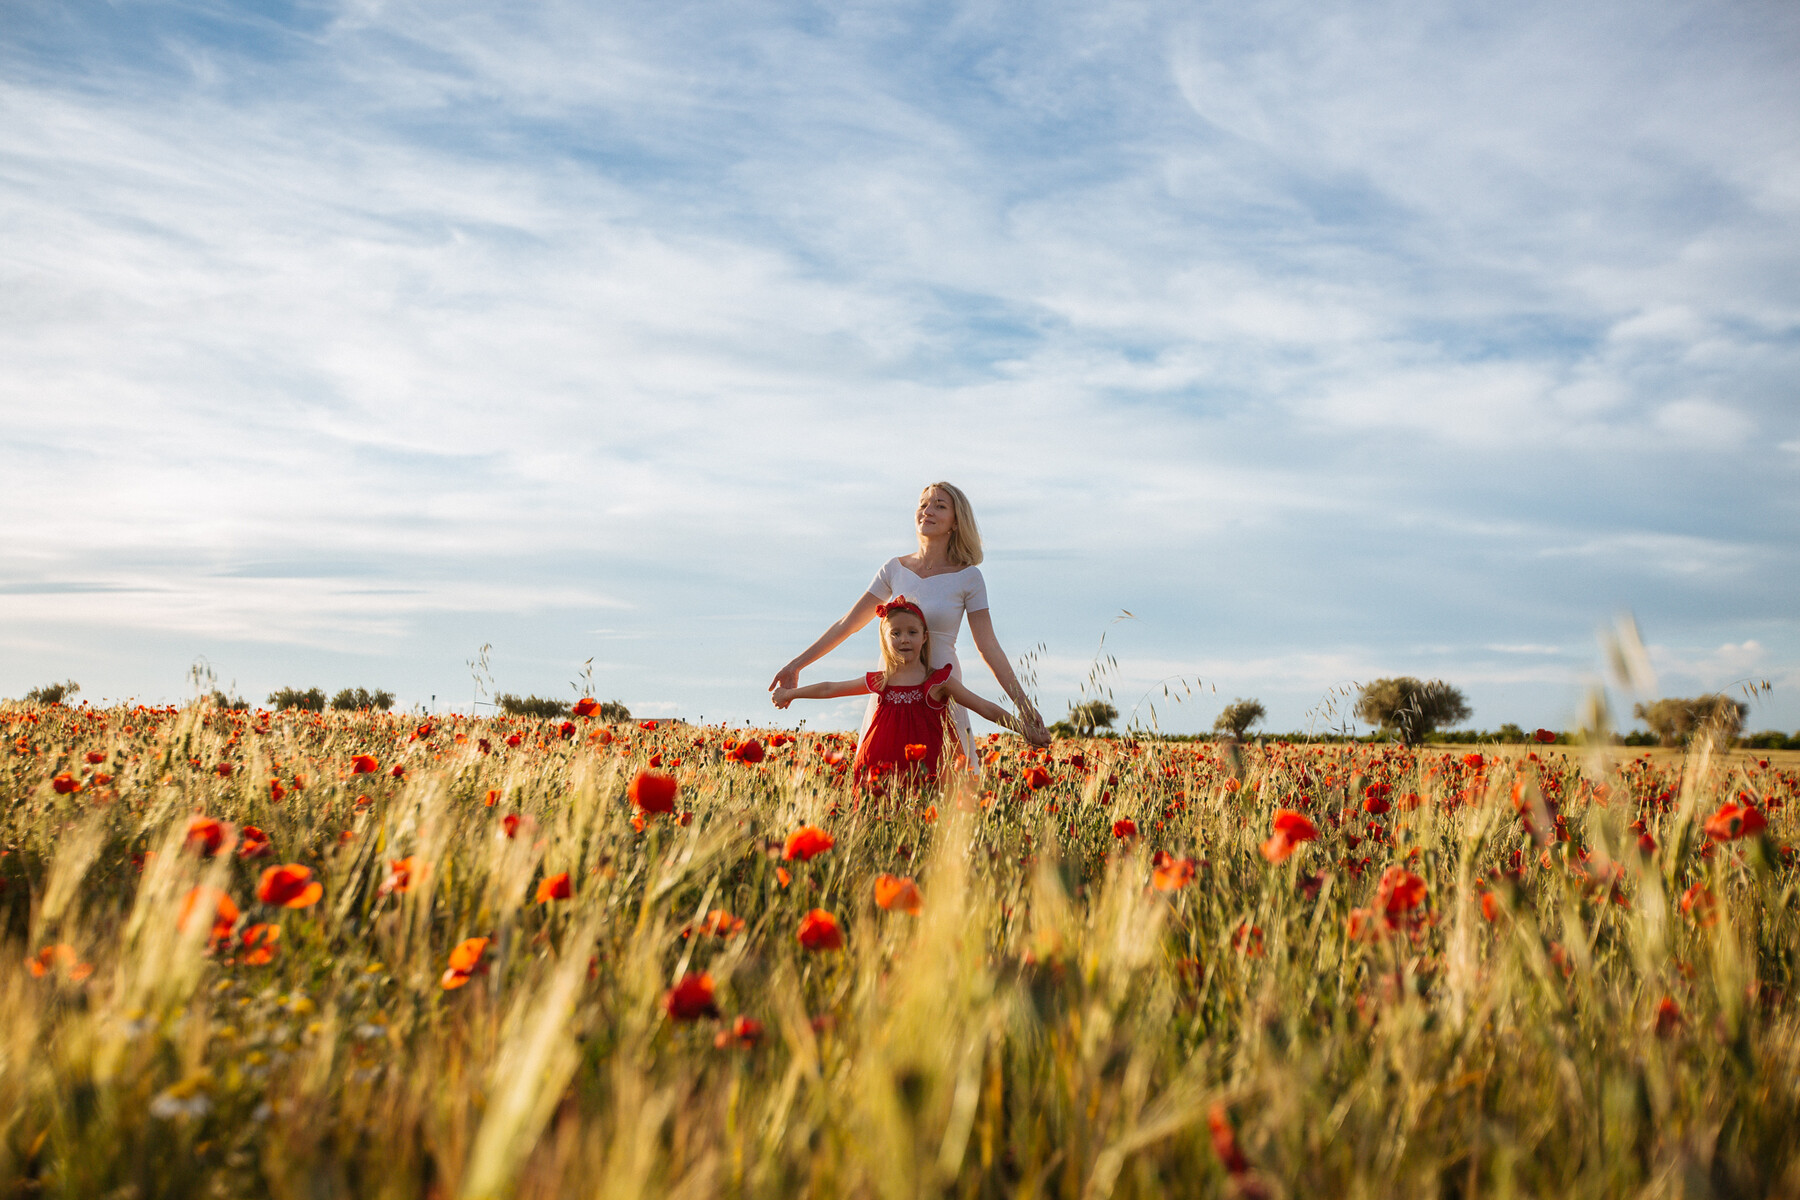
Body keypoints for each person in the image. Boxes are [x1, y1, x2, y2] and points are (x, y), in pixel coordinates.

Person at [768, 481, 1047, 761]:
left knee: (943, 778)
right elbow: (848, 624)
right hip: (894, 687)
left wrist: (1022, 706)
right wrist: (796, 665)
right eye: (923, 504)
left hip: (942, 690)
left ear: (955, 521)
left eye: (940, 506)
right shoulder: (893, 569)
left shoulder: (968, 577)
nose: (927, 510)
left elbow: (989, 647)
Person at [772, 597, 1043, 787]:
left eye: (912, 632)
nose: (904, 639)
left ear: (925, 637)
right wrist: (790, 694)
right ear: (885, 640)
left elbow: (984, 707)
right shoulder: (881, 681)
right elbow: (830, 688)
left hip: (926, 773)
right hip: (879, 768)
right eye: (896, 633)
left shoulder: (939, 682)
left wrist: (1023, 728)